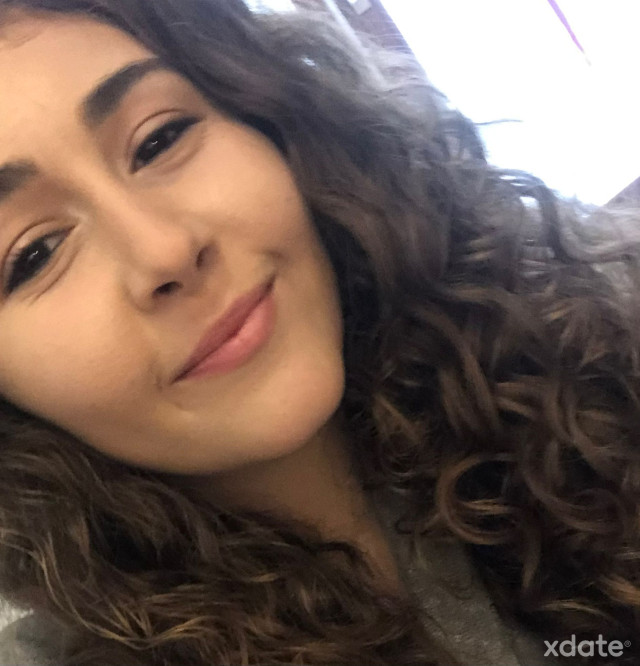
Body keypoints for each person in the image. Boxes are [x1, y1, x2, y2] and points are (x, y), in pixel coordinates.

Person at [0, 0, 637, 664]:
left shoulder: (583, 349)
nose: (166, 250)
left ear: (268, 121)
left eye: (159, 139)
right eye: (34, 254)